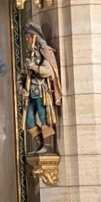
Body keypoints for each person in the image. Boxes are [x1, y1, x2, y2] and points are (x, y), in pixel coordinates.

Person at [22, 25, 63, 156]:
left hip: (41, 91)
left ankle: (48, 145)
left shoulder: (44, 51)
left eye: (28, 37)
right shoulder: (30, 53)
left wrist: (34, 66)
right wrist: (21, 88)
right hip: (30, 92)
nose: (26, 40)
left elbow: (48, 71)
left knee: (43, 118)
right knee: (28, 120)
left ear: (34, 37)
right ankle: (40, 143)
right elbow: (23, 75)